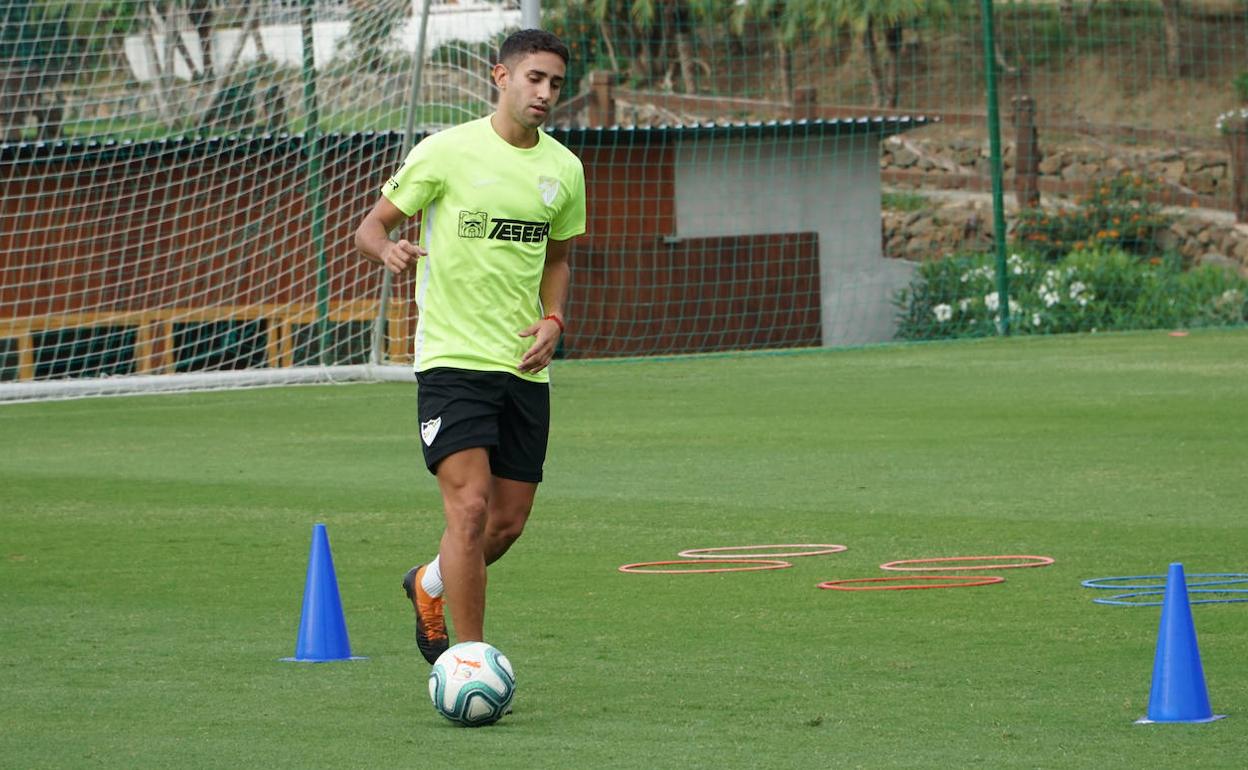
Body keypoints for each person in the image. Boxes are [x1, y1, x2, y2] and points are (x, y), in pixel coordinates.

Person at [354, 29, 586, 664]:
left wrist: (554, 319)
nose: (544, 92)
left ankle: (428, 584)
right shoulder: (445, 152)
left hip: (524, 368)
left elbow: (559, 259)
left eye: (556, 83)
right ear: (500, 77)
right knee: (471, 509)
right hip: (453, 360)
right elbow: (370, 227)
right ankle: (470, 660)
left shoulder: (565, 169)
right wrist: (390, 248)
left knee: (506, 523)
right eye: (534, 78)